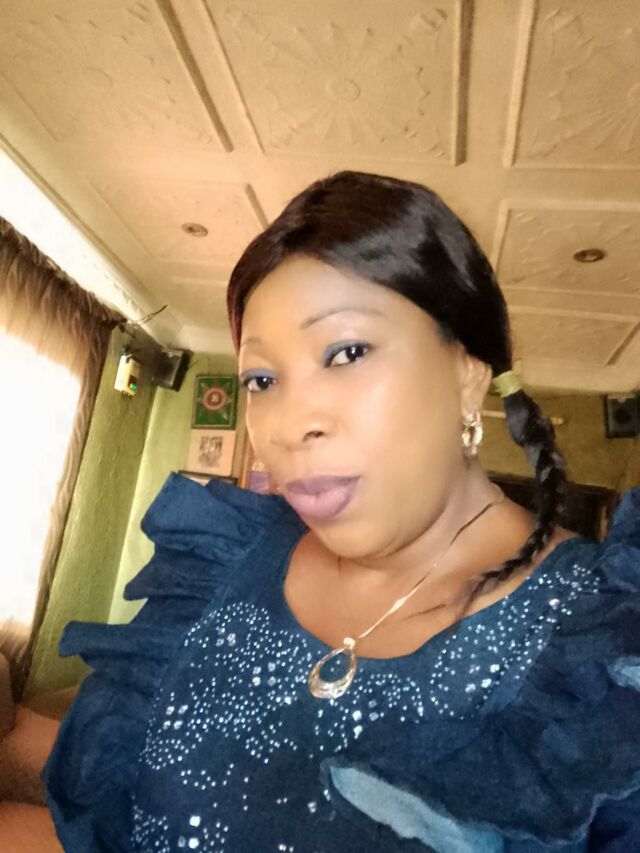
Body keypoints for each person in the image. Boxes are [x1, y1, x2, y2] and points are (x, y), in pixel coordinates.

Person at [44, 172, 640, 852]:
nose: (290, 423)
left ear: (467, 372)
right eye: (262, 379)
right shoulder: (221, 564)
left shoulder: (604, 659)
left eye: (347, 352)